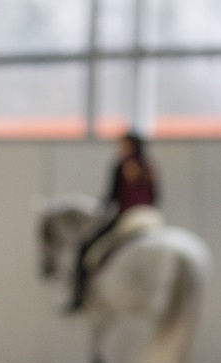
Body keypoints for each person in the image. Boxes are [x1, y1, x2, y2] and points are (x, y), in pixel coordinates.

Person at [68, 130, 160, 312]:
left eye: (122, 145)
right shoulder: (150, 166)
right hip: (151, 217)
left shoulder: (121, 165)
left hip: (128, 217)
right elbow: (156, 196)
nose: (118, 148)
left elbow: (111, 197)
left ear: (130, 146)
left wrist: (101, 210)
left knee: (87, 247)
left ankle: (78, 297)